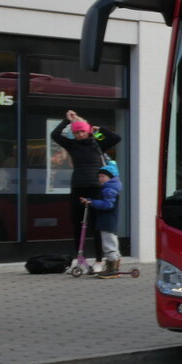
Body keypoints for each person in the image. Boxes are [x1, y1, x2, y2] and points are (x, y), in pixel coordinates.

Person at [51, 110, 120, 266]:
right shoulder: (72, 145)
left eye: (82, 131)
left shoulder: (97, 142)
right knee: (77, 223)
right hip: (78, 187)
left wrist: (99, 129)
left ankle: (99, 260)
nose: (79, 134)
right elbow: (55, 135)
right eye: (76, 132)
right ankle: (80, 258)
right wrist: (67, 121)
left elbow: (116, 138)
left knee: (97, 224)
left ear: (87, 131)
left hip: (95, 187)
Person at [81, 162, 122, 278]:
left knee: (108, 245)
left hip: (107, 222)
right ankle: (114, 265)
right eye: (99, 176)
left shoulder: (109, 190)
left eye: (102, 176)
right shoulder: (109, 188)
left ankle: (112, 268)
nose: (100, 178)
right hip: (108, 222)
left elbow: (107, 205)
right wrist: (91, 200)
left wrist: (92, 202)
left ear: (110, 177)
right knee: (112, 243)